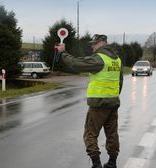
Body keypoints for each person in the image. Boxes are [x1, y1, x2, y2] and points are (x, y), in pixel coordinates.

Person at [56, 34, 123, 168]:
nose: (92, 46)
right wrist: (113, 95)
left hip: (98, 104)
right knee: (112, 134)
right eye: (92, 43)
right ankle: (112, 163)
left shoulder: (99, 59)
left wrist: (63, 53)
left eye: (95, 43)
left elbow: (76, 64)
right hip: (113, 103)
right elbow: (120, 81)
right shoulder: (117, 60)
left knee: (90, 134)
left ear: (103, 43)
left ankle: (96, 164)